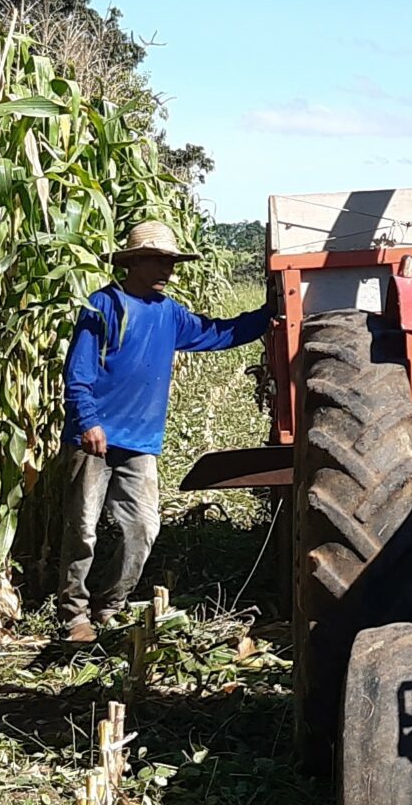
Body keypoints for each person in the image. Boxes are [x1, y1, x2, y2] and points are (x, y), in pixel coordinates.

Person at [58, 221, 270, 642]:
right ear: (133, 263)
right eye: (158, 260)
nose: (167, 270)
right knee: (82, 528)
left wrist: (269, 315)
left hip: (140, 442)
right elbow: (77, 374)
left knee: (143, 527)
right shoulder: (104, 306)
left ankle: (110, 605)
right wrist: (88, 421)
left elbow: (217, 333)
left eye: (170, 261)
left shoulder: (168, 313)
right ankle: (73, 613)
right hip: (95, 439)